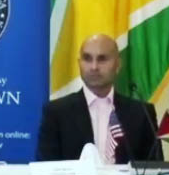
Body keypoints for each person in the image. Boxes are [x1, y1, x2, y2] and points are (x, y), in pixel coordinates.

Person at [36, 33, 161, 163]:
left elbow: (156, 170)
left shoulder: (142, 113)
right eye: (87, 58)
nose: (94, 67)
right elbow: (46, 169)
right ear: (79, 64)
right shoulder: (56, 112)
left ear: (117, 65)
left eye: (102, 59)